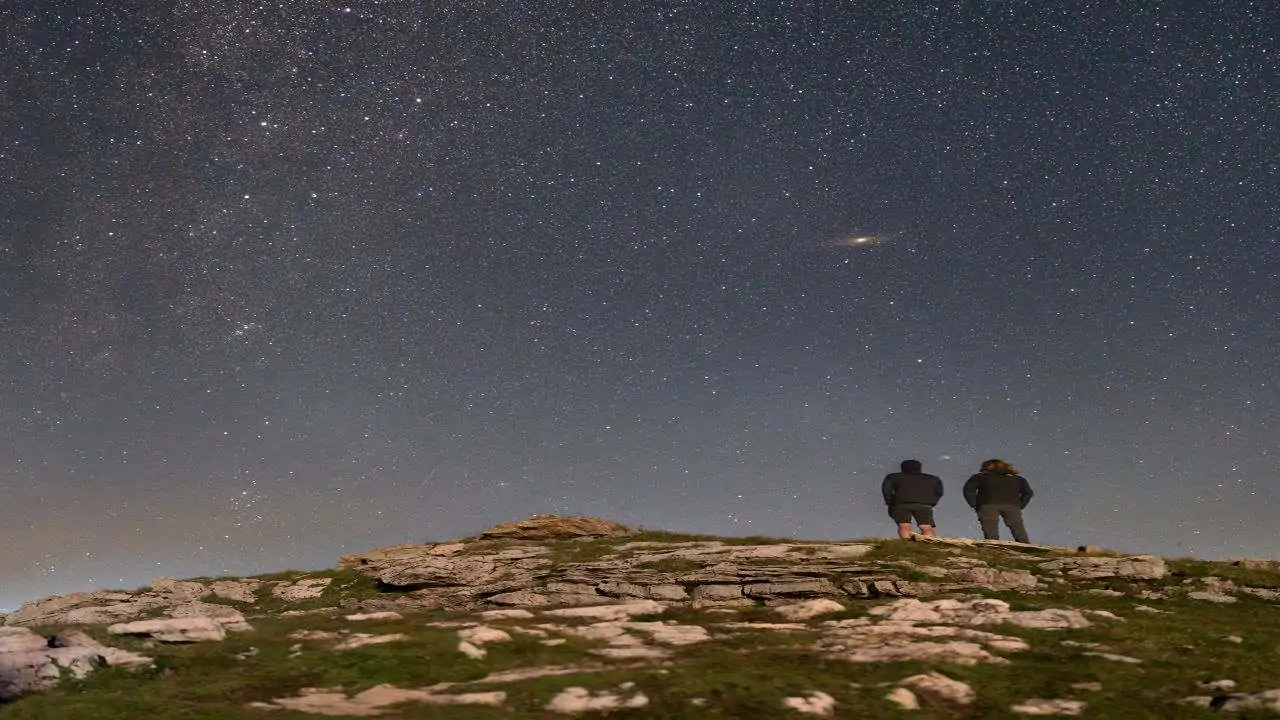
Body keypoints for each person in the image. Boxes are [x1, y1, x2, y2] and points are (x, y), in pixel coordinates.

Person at [962, 459, 1034, 543]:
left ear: (989, 466)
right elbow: (1028, 493)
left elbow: (968, 490)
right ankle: (1025, 546)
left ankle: (993, 547)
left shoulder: (980, 477)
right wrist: (1020, 505)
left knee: (990, 530)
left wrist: (974, 503)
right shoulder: (1017, 479)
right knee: (1017, 527)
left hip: (987, 504)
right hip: (1012, 506)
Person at [881, 459, 944, 539]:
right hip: (924, 505)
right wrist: (932, 502)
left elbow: (886, 490)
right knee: (926, 526)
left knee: (904, 525)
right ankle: (929, 544)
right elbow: (939, 492)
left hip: (901, 504)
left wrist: (890, 502)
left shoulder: (893, 477)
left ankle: (907, 543)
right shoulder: (933, 479)